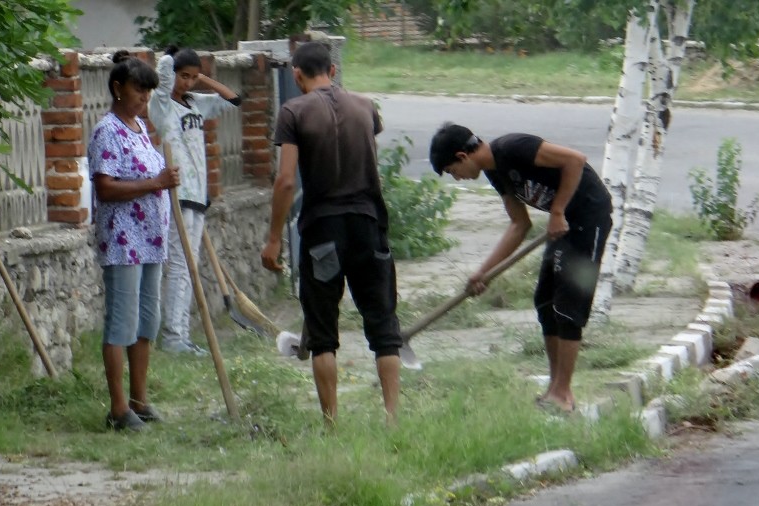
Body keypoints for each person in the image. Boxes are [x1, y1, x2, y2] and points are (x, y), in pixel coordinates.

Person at [261, 42, 402, 425]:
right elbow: (370, 161)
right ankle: (392, 418)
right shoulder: (365, 107)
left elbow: (286, 181)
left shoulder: (293, 111)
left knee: (323, 333)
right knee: (383, 324)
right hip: (369, 225)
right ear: (333, 70)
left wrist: (274, 238)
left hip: (323, 230)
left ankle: (332, 424)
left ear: (296, 74)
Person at [428, 123, 613, 413]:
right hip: (562, 226)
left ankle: (563, 394)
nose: (458, 179)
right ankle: (555, 388)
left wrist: (557, 210)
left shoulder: (514, 147)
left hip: (589, 217)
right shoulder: (495, 172)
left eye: (453, 171)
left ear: (463, 156)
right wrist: (484, 272)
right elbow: (519, 224)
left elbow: (575, 160)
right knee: (545, 301)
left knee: (568, 307)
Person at [89, 51, 180, 431]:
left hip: (151, 240)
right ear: (117, 88)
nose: (144, 98)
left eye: (148, 92)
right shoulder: (107, 130)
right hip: (124, 242)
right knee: (122, 325)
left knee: (147, 323)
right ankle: (118, 409)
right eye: (138, 90)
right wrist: (156, 183)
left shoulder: (141, 129)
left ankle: (140, 401)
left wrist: (165, 181)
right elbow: (106, 187)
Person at [149, 45, 242, 357]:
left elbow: (234, 99)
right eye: (182, 76)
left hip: (198, 195)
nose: (186, 83)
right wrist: (172, 58)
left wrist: (202, 77)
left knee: (190, 267)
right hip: (176, 194)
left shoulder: (196, 103)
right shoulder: (161, 105)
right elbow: (162, 70)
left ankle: (183, 336)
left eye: (191, 77)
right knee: (178, 264)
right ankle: (172, 337)